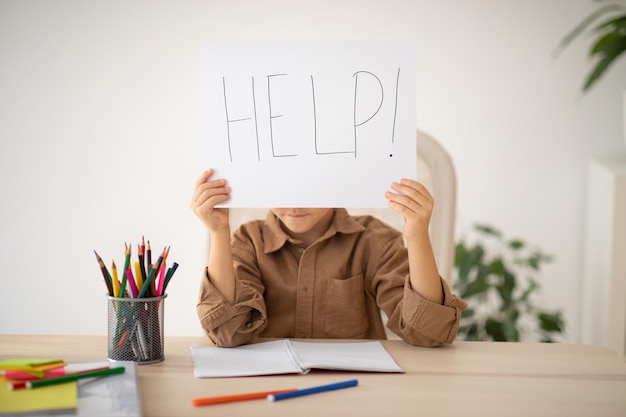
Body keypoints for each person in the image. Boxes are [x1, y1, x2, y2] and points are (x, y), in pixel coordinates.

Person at [190, 168, 467, 347]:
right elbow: (228, 332)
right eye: (279, 188)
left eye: (311, 188)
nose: (295, 204)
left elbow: (429, 333)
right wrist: (218, 232)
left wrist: (418, 235)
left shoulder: (373, 239)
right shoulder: (248, 241)